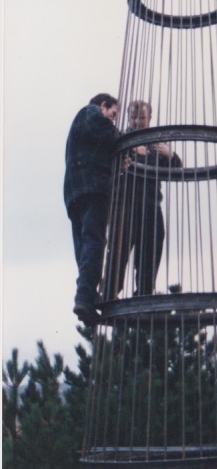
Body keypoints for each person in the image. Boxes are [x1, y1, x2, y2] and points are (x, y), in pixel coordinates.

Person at [107, 100, 181, 298]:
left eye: (141, 117)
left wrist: (170, 155)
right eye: (133, 117)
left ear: (149, 118)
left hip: (151, 204)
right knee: (119, 249)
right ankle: (110, 292)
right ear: (128, 118)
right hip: (124, 204)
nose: (137, 121)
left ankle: (144, 293)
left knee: (152, 247)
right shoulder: (120, 140)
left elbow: (177, 171)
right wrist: (128, 153)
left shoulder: (156, 145)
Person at [64, 93, 119, 324]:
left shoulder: (84, 126)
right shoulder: (90, 112)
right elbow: (105, 131)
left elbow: (98, 143)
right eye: (113, 114)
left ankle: (87, 296)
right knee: (94, 242)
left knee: (85, 246)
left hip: (76, 192)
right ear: (103, 105)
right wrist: (126, 144)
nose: (112, 120)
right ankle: (85, 296)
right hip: (92, 187)